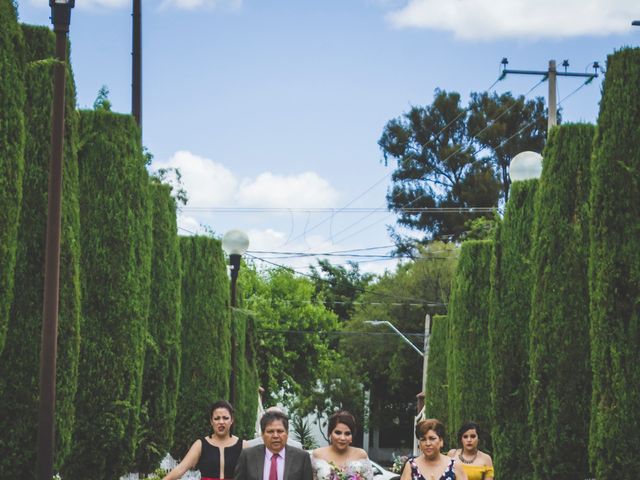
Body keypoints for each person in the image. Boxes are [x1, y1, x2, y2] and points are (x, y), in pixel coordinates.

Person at [163, 400, 246, 480]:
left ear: (232, 420)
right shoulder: (200, 445)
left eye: (225, 418)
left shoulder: (243, 445)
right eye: (217, 418)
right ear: (211, 421)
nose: (221, 422)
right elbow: (180, 469)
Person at [235, 409, 313, 480]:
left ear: (287, 433)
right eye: (270, 431)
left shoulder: (302, 458)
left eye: (280, 431)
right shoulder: (248, 456)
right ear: (262, 434)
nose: (275, 436)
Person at [310, 410, 373, 480]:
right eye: (338, 433)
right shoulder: (317, 455)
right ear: (329, 433)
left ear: (352, 436)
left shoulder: (361, 455)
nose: (342, 438)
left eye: (347, 433)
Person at [401, 419, 467, 480]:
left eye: (432, 438)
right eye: (423, 439)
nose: (428, 443)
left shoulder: (455, 466)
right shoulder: (411, 466)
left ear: (441, 441)